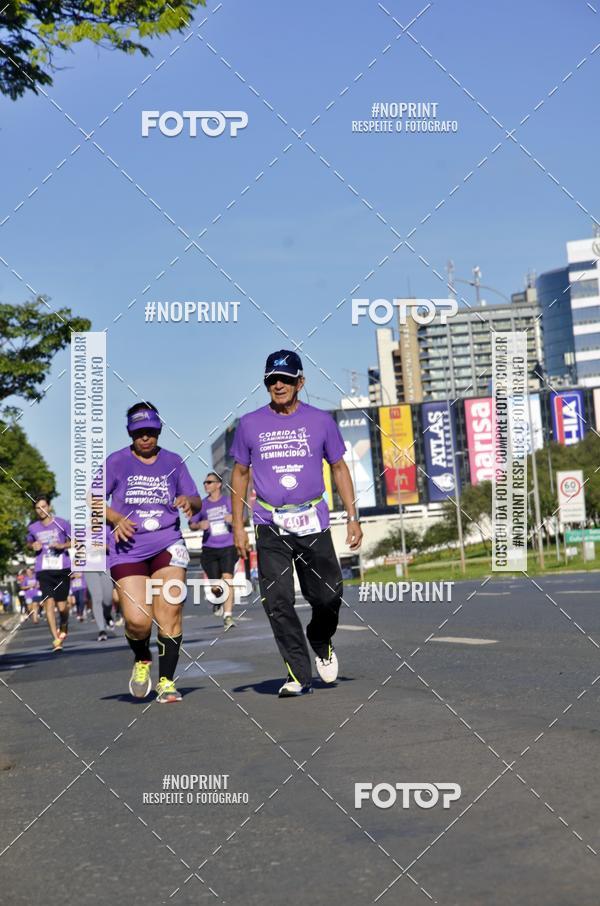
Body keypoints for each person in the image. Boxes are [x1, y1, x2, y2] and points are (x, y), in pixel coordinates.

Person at [231, 350, 363, 698]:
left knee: (329, 594)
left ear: (300, 382)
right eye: (272, 380)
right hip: (269, 522)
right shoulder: (249, 424)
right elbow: (240, 474)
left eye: (286, 379)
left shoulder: (320, 421)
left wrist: (352, 516)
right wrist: (238, 525)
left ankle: (320, 638)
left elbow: (338, 468)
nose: (279, 385)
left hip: (312, 520)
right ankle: (298, 674)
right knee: (277, 601)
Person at [105, 401, 201, 703]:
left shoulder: (173, 461)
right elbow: (93, 500)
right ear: (130, 433)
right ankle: (142, 657)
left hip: (167, 541)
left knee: (170, 609)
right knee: (138, 621)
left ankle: (167, 681)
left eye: (150, 432)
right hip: (127, 549)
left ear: (159, 431)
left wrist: (188, 501)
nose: (145, 438)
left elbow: (196, 499)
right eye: (138, 433)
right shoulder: (116, 462)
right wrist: (116, 518)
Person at [189, 472, 237, 630]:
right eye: (204, 482)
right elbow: (191, 524)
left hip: (228, 546)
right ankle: (218, 599)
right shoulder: (202, 505)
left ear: (218, 485)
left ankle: (228, 616)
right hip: (209, 549)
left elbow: (241, 518)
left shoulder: (227, 501)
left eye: (209, 482)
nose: (206, 485)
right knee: (216, 587)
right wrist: (199, 525)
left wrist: (233, 519)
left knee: (227, 579)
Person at [26, 496, 72, 651]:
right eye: (38, 508)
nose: (41, 510)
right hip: (43, 569)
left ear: (50, 507)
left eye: (44, 506)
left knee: (62, 607)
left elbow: (76, 541)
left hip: (62, 568)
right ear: (35, 510)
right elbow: (28, 543)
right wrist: (33, 545)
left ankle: (64, 623)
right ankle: (56, 639)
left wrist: (62, 545)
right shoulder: (33, 528)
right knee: (49, 603)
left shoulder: (62, 523)